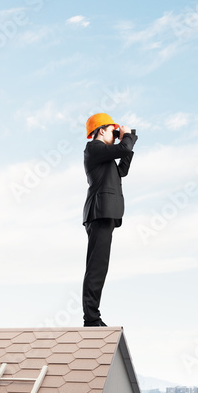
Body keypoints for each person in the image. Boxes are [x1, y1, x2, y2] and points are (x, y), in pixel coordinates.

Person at [81, 112, 137, 327]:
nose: (115, 136)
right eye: (113, 132)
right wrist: (127, 139)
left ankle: (92, 317)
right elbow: (123, 149)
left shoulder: (104, 156)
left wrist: (128, 142)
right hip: (99, 213)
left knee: (100, 266)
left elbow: (122, 170)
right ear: (101, 130)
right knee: (96, 267)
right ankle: (91, 319)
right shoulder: (94, 148)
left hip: (105, 214)